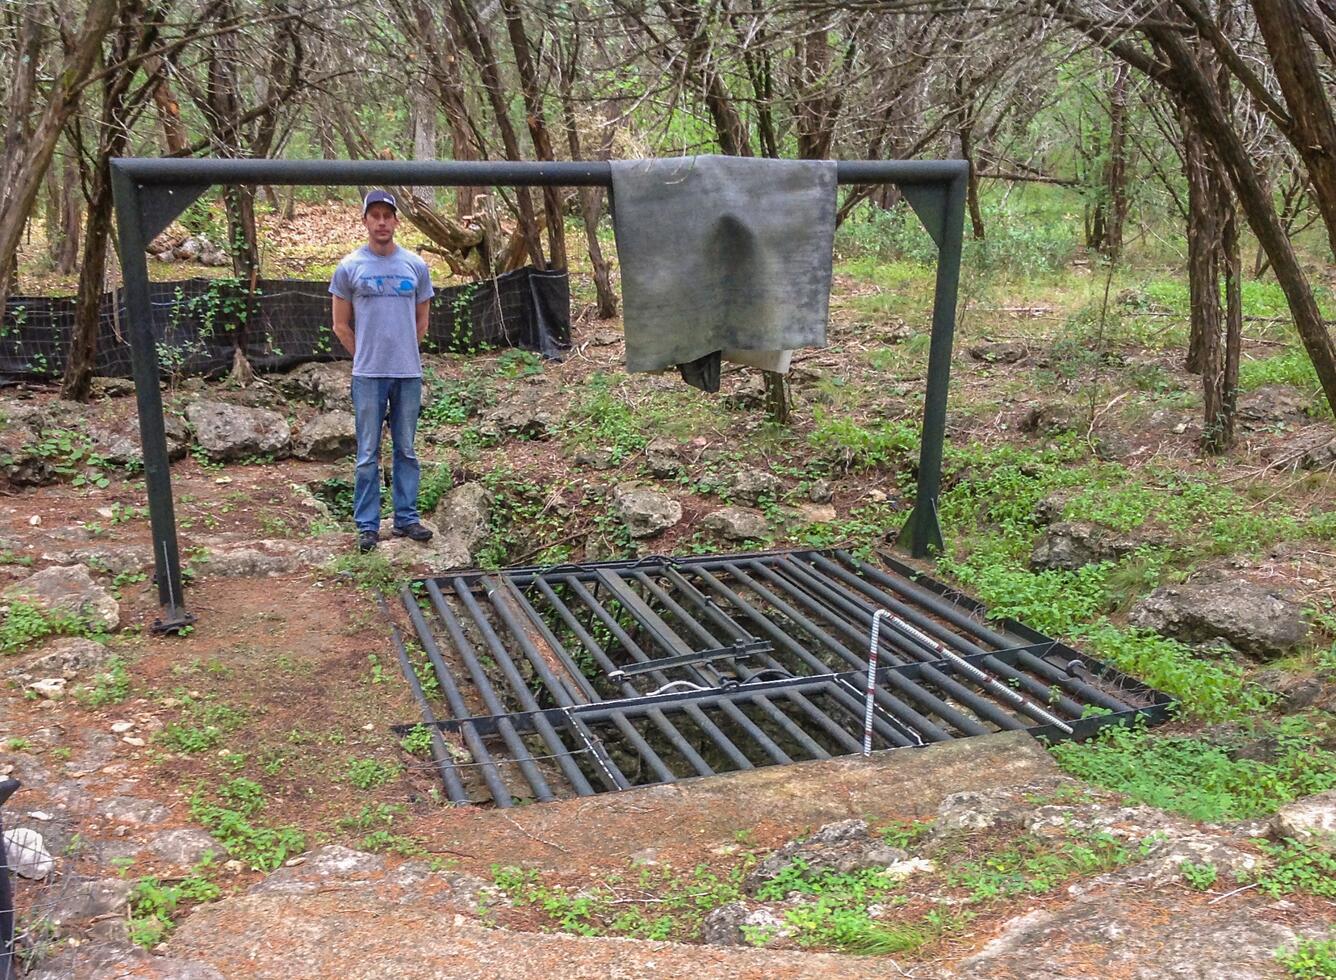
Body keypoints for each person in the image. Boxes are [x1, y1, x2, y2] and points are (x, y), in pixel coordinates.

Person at [330, 190, 435, 553]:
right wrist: (366, 357)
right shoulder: (349, 267)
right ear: (364, 221)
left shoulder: (415, 266)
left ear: (396, 220)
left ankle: (406, 518)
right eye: (374, 215)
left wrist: (404, 350)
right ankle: (367, 526)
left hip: (407, 374)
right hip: (368, 376)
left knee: (405, 449)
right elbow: (340, 325)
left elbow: (422, 319)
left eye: (387, 215)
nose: (381, 222)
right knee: (367, 452)